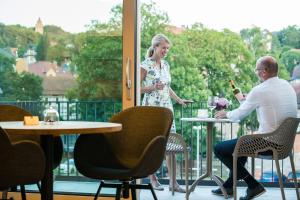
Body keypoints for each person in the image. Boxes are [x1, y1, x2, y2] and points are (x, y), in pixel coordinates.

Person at [212, 56, 297, 200]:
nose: (256, 72)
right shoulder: (287, 86)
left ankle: (253, 185)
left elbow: (239, 115)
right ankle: (228, 186)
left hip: (268, 143)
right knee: (240, 148)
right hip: (286, 144)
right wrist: (250, 100)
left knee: (220, 148)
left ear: (264, 71)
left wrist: (225, 114)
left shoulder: (260, 90)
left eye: (257, 70)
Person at [140, 33, 192, 193]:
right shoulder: (145, 65)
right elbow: (136, 88)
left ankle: (173, 182)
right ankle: (152, 178)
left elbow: (167, 87)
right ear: (155, 47)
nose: (165, 51)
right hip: (151, 110)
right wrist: (152, 88)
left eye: (167, 48)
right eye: (163, 48)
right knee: (152, 146)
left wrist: (179, 100)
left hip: (167, 110)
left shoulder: (166, 65)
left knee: (171, 146)